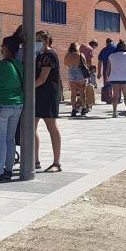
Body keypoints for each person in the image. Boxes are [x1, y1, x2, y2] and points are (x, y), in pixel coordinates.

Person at [0, 36, 23, 182]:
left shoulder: (0, 65)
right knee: (10, 139)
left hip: (2, 105)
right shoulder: (20, 65)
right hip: (17, 104)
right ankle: (9, 170)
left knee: (0, 140)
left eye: (2, 46)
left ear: (6, 48)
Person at [35, 30, 63, 173]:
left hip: (48, 93)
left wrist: (26, 88)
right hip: (37, 94)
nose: (37, 42)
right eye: (36, 39)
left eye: (40, 39)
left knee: (51, 126)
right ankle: (35, 160)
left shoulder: (49, 56)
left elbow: (42, 79)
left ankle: (56, 162)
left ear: (46, 41)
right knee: (31, 126)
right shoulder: (38, 55)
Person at [106, 40, 126, 118]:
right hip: (125, 78)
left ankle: (114, 112)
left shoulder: (111, 56)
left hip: (114, 78)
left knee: (115, 96)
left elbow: (108, 68)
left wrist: (106, 77)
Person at [64, 42, 88, 117]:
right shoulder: (80, 54)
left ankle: (73, 109)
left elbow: (65, 64)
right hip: (80, 73)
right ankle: (83, 108)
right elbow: (85, 64)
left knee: (73, 93)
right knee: (81, 91)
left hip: (71, 73)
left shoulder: (67, 55)